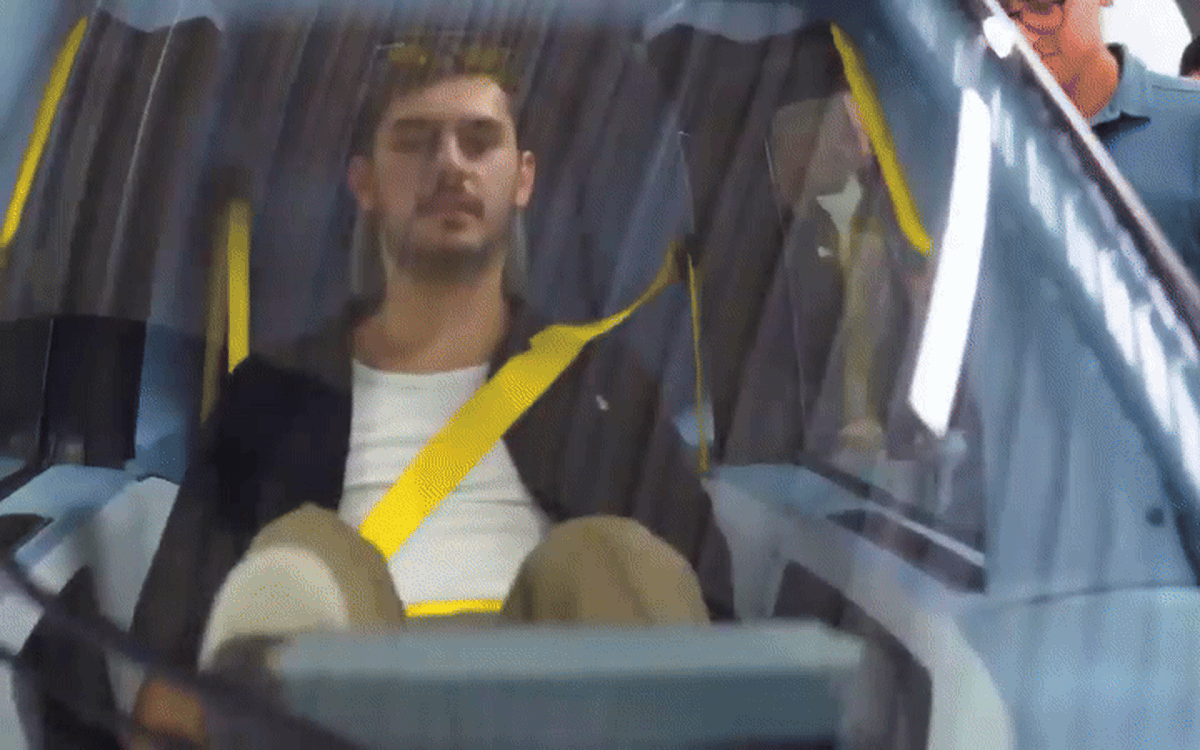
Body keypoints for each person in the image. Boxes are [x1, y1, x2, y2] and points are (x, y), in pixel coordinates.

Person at [125, 31, 733, 747]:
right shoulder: (269, 395)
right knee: (303, 556)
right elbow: (168, 665)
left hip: (565, 718)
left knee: (611, 557)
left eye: (479, 140)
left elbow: (712, 615)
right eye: (416, 142)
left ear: (524, 178)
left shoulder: (602, 384)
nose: (450, 164)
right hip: (347, 720)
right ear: (365, 184)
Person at [1003, 0, 1200, 279]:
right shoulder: (982, 121)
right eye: (1001, 9)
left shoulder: (1192, 124)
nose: (1021, 31)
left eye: (1043, 5)